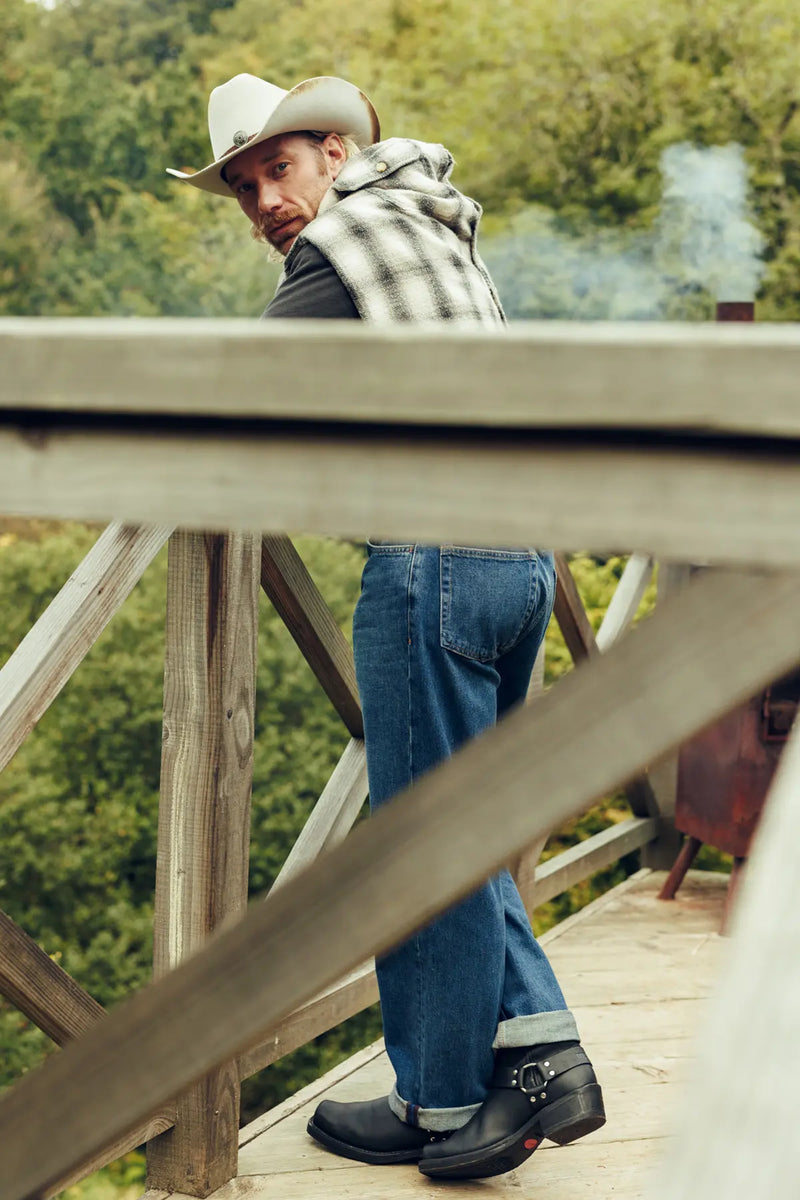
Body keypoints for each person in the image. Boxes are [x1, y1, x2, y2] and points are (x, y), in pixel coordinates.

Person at [168, 72, 605, 1180]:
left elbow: (239, 389)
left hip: (434, 562)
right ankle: (474, 1082)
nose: (265, 203)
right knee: (461, 825)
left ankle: (504, 1077)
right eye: (243, 188)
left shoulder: (337, 246)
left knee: (423, 839)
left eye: (276, 170)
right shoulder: (433, 228)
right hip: (521, 563)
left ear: (332, 150)